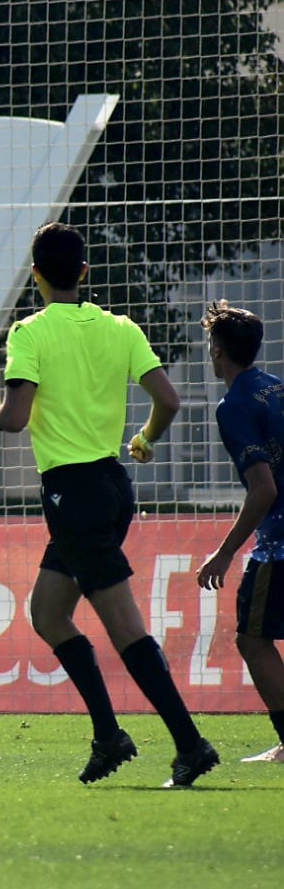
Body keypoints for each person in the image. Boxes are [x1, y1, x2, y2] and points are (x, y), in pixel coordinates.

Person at [0, 221, 219, 787]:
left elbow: (14, 418)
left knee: (124, 626)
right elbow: (168, 399)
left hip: (73, 492)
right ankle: (108, 735)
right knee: (47, 613)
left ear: (35, 274)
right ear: (84, 272)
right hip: (112, 485)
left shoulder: (29, 333)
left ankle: (190, 743)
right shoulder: (120, 328)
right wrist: (146, 440)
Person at [193, 300, 284, 765]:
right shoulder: (277, 387)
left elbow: (263, 489)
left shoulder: (234, 406)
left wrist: (225, 552)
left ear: (218, 349)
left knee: (252, 638)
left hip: (280, 545)